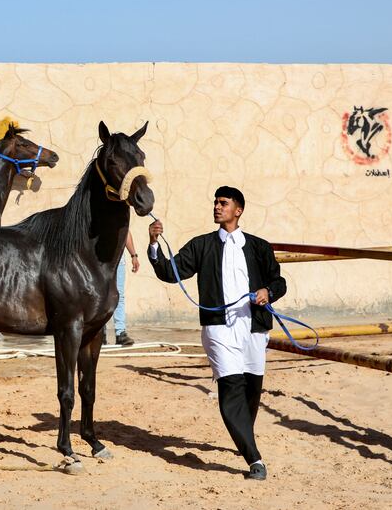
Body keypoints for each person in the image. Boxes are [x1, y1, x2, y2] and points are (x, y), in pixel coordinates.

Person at [147, 186, 286, 481]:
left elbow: (279, 281)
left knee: (251, 390)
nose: (217, 206)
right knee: (231, 389)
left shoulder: (260, 247)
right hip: (218, 329)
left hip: (254, 329)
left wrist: (267, 291)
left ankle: (243, 438)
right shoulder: (201, 245)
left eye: (223, 203)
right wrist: (154, 244)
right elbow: (170, 273)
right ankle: (254, 459)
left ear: (238, 210)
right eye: (215, 202)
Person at [107, 232, 140, 346]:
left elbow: (126, 232)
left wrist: (133, 255)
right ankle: (99, 333)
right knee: (100, 296)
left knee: (118, 296)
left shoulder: (119, 215)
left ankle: (120, 333)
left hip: (118, 260)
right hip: (98, 261)